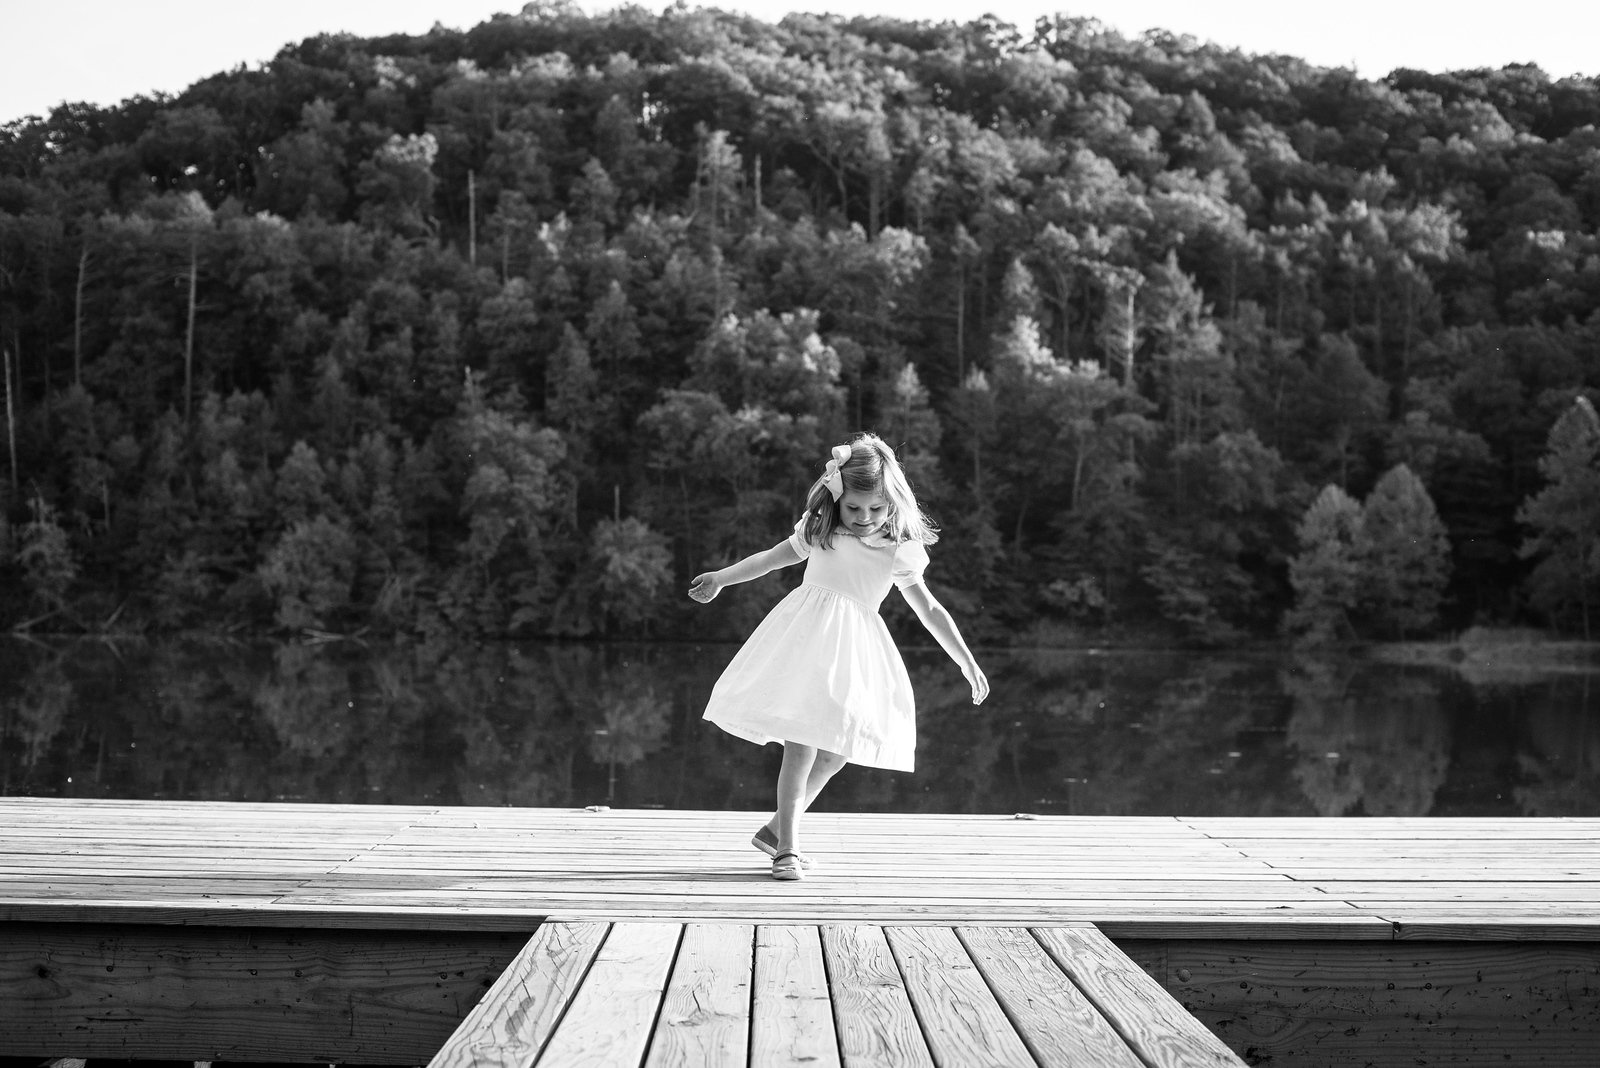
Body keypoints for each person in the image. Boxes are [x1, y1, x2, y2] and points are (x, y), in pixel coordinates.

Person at [688, 433, 989, 881]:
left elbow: (928, 608)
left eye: (875, 509)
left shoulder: (897, 549)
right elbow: (771, 560)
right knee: (801, 742)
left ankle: (775, 829)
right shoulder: (821, 530)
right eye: (853, 507)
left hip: (855, 653)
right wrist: (721, 578)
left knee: (837, 752)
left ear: (892, 504)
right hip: (808, 641)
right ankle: (787, 849)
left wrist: (965, 660)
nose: (864, 517)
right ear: (836, 500)